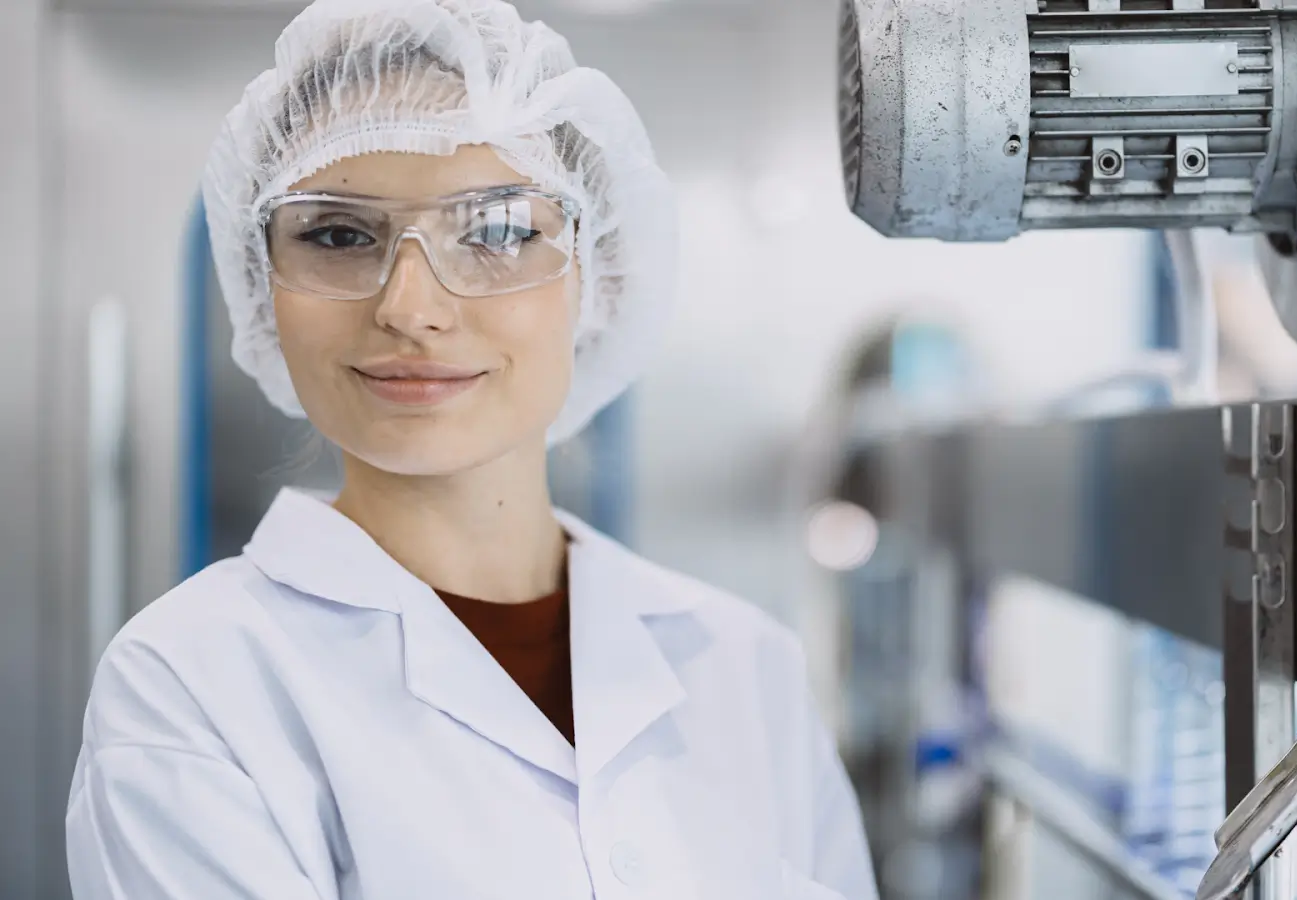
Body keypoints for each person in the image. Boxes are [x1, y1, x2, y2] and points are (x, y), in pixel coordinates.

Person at [63, 2, 877, 898]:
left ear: (595, 274)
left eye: (496, 231)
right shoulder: (190, 687)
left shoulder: (743, 666)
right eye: (338, 235)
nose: (411, 306)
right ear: (262, 285)